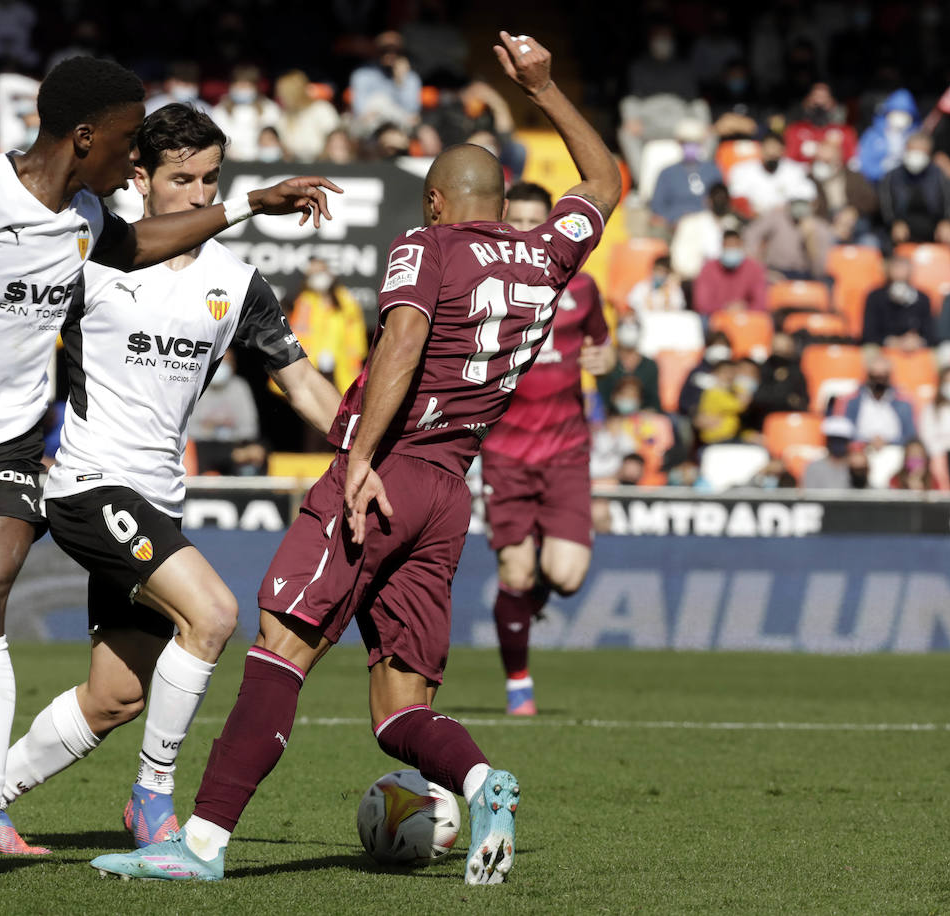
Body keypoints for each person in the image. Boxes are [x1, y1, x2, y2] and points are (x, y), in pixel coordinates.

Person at [90, 30, 620, 886]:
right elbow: (604, 181)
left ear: (438, 202)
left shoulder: (426, 246)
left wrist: (361, 456)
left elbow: (406, 340)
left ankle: (198, 846)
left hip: (386, 473)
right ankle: (484, 781)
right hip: (452, 491)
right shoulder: (548, 255)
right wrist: (547, 89)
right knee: (398, 708)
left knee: (279, 647)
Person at [0, 56, 339, 891]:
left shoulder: (127, 239)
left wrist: (243, 212)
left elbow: (155, 260)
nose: (153, 172)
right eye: (153, 160)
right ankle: (126, 793)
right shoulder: (4, 212)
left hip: (61, 465)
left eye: (208, 178)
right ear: (109, 151)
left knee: (52, 649)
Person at [0, 104, 343, 854]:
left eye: (211, 179)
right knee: (215, 615)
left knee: (114, 697)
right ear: (141, 179)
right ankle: (154, 798)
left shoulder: (238, 282)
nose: (197, 193)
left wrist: (368, 444)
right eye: (181, 178)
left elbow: (304, 386)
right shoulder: (91, 260)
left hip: (158, 499)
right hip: (89, 486)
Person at [477, 180, 613, 717]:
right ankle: (518, 685)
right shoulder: (486, 283)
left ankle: (526, 604)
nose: (535, 232)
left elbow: (601, 344)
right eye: (523, 221)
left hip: (566, 451)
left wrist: (605, 359)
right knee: (516, 573)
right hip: (506, 453)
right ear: (505, 223)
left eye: (544, 222)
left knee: (567, 576)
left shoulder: (584, 288)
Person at [287, 258, 368, 394]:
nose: (318, 277)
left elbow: (356, 335)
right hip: (311, 364)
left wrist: (356, 358)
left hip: (342, 365)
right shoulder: (305, 301)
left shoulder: (346, 300)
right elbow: (298, 332)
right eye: (313, 274)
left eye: (320, 272)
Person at [881, 133, 950, 247]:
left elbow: (949, 202)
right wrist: (894, 223)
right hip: (902, 227)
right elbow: (886, 206)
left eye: (921, 152)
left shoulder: (938, 175)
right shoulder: (892, 176)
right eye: (913, 151)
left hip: (933, 227)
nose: (916, 156)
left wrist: (946, 222)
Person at [649, 119, 721, 229]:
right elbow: (657, 206)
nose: (690, 145)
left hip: (706, 225)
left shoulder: (713, 170)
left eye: (695, 141)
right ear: (679, 143)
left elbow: (720, 202)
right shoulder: (667, 173)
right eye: (686, 142)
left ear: (702, 142)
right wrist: (671, 221)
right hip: (674, 226)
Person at [349, 31, 423, 133]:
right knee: (379, 100)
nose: (390, 55)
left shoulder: (411, 78)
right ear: (376, 51)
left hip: (401, 129)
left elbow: (412, 114)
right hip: (371, 129)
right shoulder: (363, 74)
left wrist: (400, 81)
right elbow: (361, 112)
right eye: (384, 50)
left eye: (395, 51)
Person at [726, 132, 816, 215]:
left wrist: (788, 207)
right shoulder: (742, 170)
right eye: (768, 149)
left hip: (786, 220)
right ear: (761, 149)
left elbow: (808, 197)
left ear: (782, 151)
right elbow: (736, 198)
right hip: (752, 219)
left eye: (775, 150)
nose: (771, 153)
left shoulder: (796, 171)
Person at [210, 65, 281, 162]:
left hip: (261, 164)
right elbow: (217, 140)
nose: (242, 89)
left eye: (247, 85)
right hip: (229, 164)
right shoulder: (219, 111)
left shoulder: (270, 109)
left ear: (255, 87)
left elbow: (273, 139)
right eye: (239, 85)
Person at [842, 355, 916, 447]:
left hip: (895, 449)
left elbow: (909, 435)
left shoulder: (903, 402)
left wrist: (887, 442)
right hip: (861, 450)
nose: (879, 380)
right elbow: (846, 432)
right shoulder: (854, 401)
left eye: (883, 375)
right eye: (875, 375)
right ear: (868, 375)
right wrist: (867, 442)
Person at [862, 256, 935, 349]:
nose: (900, 271)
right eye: (896, 267)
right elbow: (869, 334)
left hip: (915, 346)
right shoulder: (875, 297)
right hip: (882, 346)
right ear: (888, 270)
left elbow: (930, 334)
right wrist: (891, 341)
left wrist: (918, 341)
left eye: (903, 267)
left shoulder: (922, 298)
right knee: (869, 350)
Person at [693, 230, 768, 315]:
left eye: (735, 245)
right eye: (728, 246)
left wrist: (744, 308)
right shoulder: (708, 268)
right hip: (715, 316)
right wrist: (725, 308)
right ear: (722, 246)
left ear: (741, 246)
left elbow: (761, 302)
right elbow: (702, 303)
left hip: (747, 317)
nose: (731, 249)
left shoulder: (755, 268)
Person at [596, 318, 661, 413]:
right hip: (610, 418)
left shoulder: (650, 366)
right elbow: (601, 398)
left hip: (643, 419)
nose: (629, 332)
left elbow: (654, 402)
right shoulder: (607, 363)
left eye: (633, 327)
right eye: (624, 327)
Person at [919, 366, 950, 487]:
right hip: (941, 455)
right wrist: (940, 452)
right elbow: (928, 436)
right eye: (949, 382)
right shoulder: (932, 408)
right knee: (939, 465)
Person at [802, 415, 854, 489]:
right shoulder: (814, 467)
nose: (837, 444)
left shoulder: (855, 468)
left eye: (841, 440)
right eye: (833, 440)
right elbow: (809, 495)